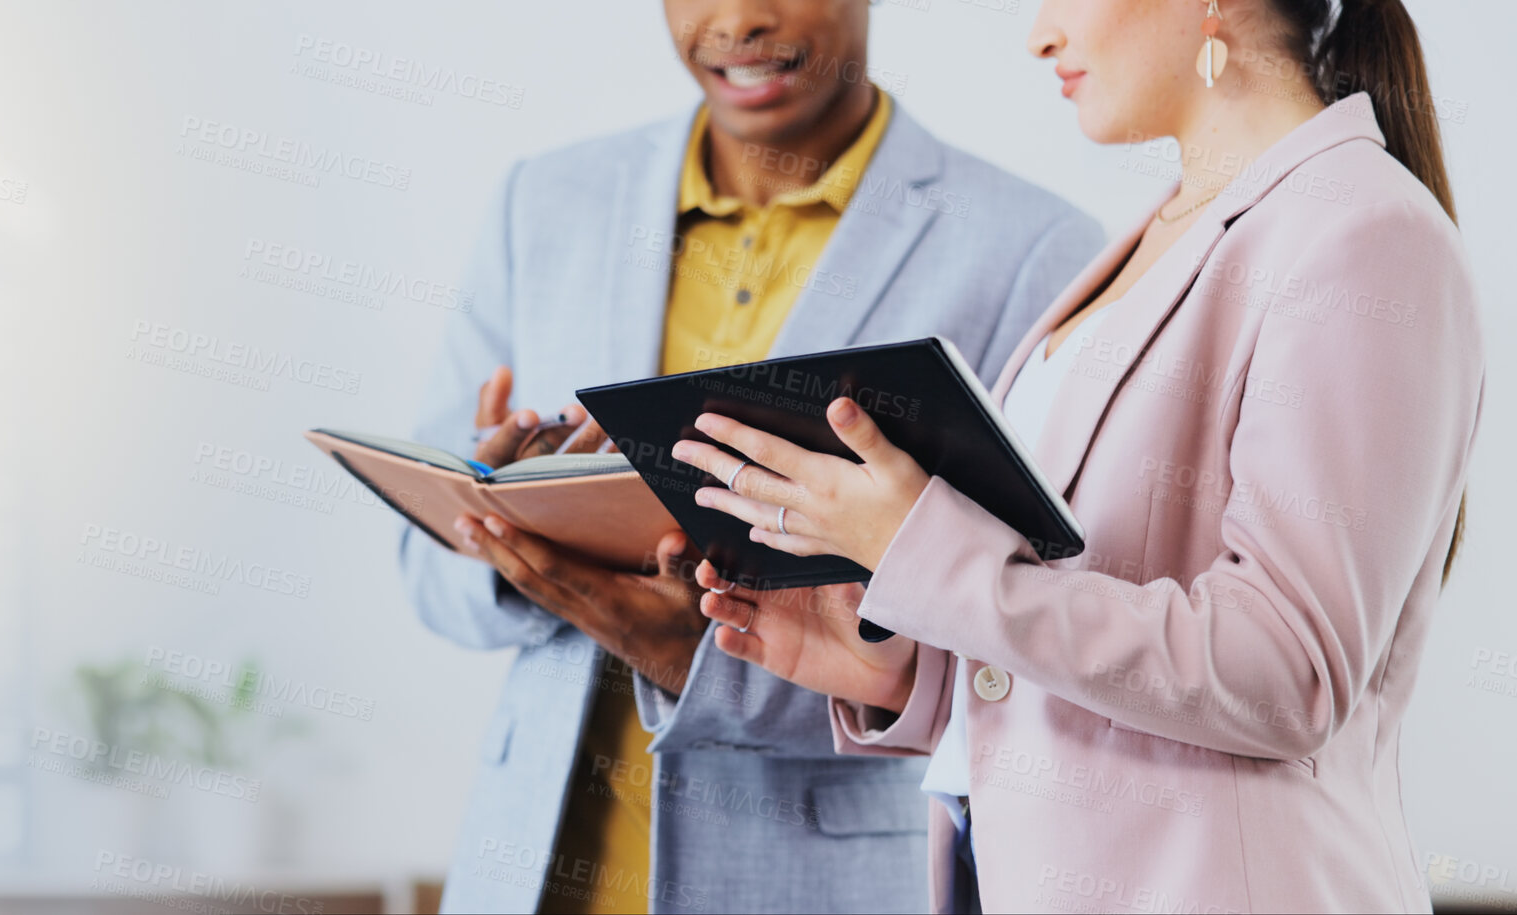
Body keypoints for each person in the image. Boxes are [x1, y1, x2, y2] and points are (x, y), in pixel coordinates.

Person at [673, 0, 1479, 911]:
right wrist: (904, 666)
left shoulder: (1361, 233)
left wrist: (932, 555)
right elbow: (1091, 629)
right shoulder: (1160, 232)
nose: (1038, 36)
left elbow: (1284, 671)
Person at [401, 0, 1105, 910]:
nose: (736, 19)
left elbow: (1027, 653)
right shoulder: (544, 202)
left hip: (821, 881)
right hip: (532, 874)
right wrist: (503, 530)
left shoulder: (1031, 251)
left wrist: (705, 662)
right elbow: (420, 566)